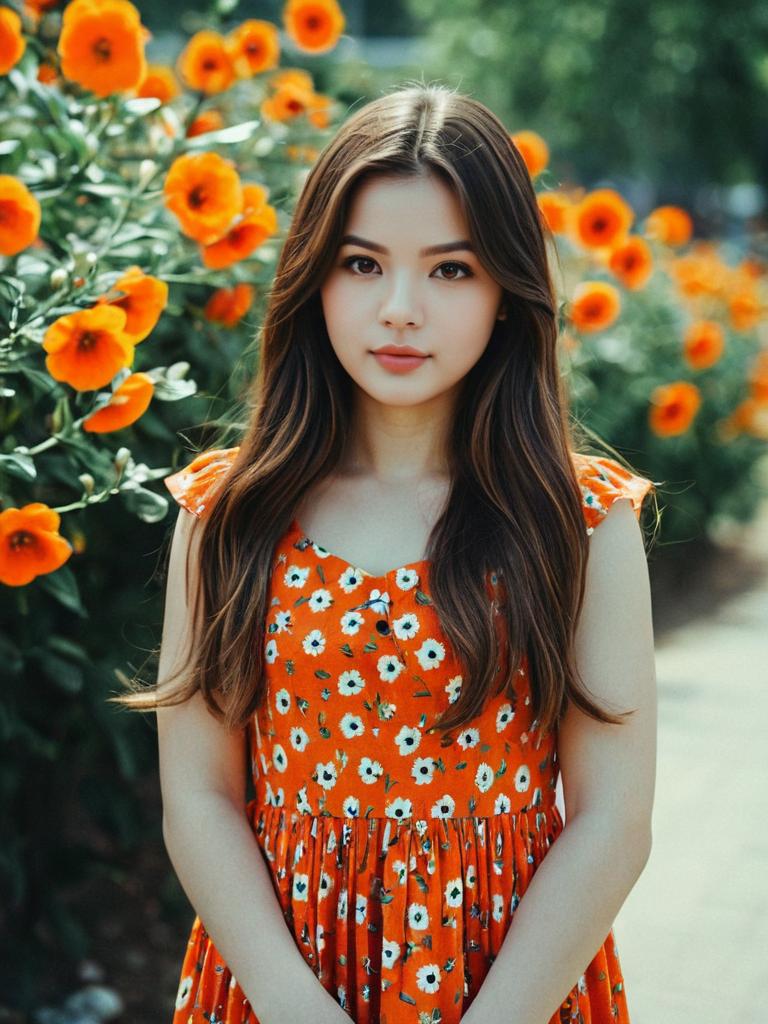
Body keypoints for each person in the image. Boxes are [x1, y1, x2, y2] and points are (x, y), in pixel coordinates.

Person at [114, 82, 659, 1024]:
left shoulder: (575, 518)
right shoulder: (229, 511)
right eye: (362, 265)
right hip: (274, 983)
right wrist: (294, 1005)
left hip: (511, 984)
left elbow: (613, 820)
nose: (400, 308)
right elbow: (199, 795)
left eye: (451, 271)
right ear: (314, 277)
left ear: (506, 292)